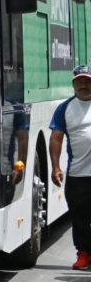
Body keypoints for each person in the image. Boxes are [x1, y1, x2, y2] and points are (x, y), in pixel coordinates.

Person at [50, 65, 91, 269]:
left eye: (88, 81)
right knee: (80, 216)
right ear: (74, 84)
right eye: (80, 81)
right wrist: (55, 166)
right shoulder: (65, 108)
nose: (84, 85)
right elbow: (56, 138)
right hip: (78, 174)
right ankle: (84, 254)